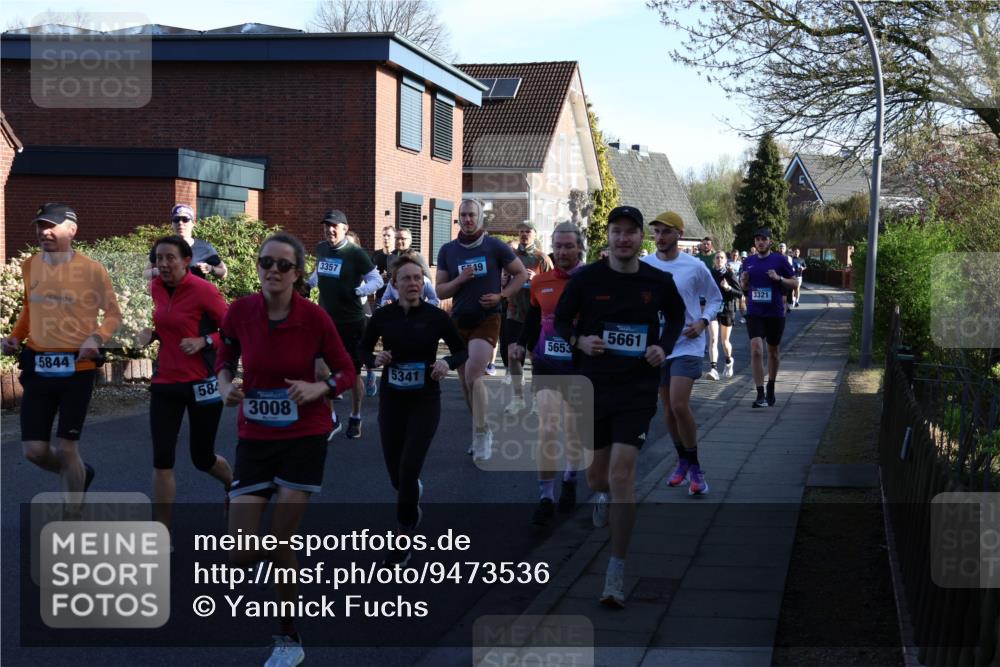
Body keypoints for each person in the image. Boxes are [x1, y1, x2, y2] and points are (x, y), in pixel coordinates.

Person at [216, 233, 355, 667]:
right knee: (239, 553)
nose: (272, 271)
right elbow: (224, 353)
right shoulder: (240, 311)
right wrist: (225, 385)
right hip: (255, 437)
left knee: (280, 539)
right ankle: (287, 556)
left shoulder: (314, 319)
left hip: (304, 434)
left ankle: (288, 637)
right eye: (265, 263)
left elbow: (348, 371)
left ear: (297, 274)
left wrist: (319, 387)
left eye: (282, 265)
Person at [554, 206, 685, 609]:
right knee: (597, 479)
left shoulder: (657, 281)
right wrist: (579, 341)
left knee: (622, 475)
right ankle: (603, 497)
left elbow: (677, 317)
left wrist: (663, 346)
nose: (624, 239)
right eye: (617, 232)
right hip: (595, 387)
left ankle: (615, 570)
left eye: (631, 232)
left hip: (637, 389)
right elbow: (561, 320)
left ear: (640, 237)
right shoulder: (588, 279)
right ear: (607, 236)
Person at [2, 203, 122, 515]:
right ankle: (80, 474)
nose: (44, 232)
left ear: (72, 229)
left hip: (77, 369)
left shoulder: (93, 270)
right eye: (40, 226)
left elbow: (113, 314)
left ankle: (72, 517)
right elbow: (30, 309)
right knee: (34, 451)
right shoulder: (31, 266)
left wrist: (96, 338)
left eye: (51, 226)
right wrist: (16, 336)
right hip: (39, 366)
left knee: (68, 448)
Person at [360, 254, 467, 564]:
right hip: (392, 402)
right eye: (406, 278)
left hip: (425, 401)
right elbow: (362, 349)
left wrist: (446, 362)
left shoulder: (436, 317)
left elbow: (460, 351)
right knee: (397, 476)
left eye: (417, 279)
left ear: (423, 283)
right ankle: (409, 496)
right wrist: (374, 359)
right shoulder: (383, 316)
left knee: (408, 471)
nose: (412, 283)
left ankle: (403, 534)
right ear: (394, 283)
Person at [137, 234, 233, 533]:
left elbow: (233, 331)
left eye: (170, 258)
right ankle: (162, 532)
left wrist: (204, 340)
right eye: (158, 259)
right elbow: (160, 324)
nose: (163, 264)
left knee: (201, 458)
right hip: (166, 382)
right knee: (162, 459)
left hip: (203, 382)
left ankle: (235, 487)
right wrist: (148, 333)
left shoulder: (203, 291)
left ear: (186, 261)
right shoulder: (153, 289)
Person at [435, 199, 528, 460]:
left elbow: (521, 274)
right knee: (466, 383)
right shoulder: (448, 250)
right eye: (463, 215)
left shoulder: (494, 246)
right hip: (459, 320)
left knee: (474, 374)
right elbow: (440, 289)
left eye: (471, 215)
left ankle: (483, 432)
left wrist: (502, 296)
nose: (467, 219)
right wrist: (460, 280)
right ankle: (479, 430)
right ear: (458, 218)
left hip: (487, 318)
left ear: (480, 218)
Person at [510, 222, 586, 525]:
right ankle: (545, 497)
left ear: (579, 247)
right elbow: (533, 316)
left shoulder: (591, 280)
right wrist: (520, 343)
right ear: (553, 248)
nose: (564, 251)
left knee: (574, 429)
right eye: (560, 246)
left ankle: (570, 478)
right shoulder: (541, 281)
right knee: (548, 428)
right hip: (546, 363)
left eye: (570, 246)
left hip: (580, 365)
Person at [641, 211, 721, 497]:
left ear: (678, 233)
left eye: (665, 232)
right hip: (659, 346)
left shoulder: (695, 266)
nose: (660, 237)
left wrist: (702, 321)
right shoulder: (645, 265)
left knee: (678, 404)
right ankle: (682, 461)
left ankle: (696, 467)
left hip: (687, 343)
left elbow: (715, 298)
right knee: (667, 409)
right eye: (656, 232)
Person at [311, 210, 383, 439]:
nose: (329, 230)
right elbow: (318, 273)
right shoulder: (322, 249)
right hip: (325, 320)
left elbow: (377, 279)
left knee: (351, 374)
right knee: (321, 371)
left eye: (334, 226)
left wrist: (361, 290)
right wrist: (307, 284)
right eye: (326, 225)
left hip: (351, 322)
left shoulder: (355, 253)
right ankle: (332, 418)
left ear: (344, 227)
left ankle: (355, 415)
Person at [741, 228, 796, 408]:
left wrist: (778, 278)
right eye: (757, 240)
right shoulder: (748, 261)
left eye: (763, 239)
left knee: (773, 351)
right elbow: (744, 288)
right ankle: (760, 393)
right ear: (755, 243)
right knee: (756, 349)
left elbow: (795, 282)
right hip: (754, 312)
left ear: (770, 242)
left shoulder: (780, 260)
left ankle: (771, 384)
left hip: (775, 313)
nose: (760, 242)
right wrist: (744, 281)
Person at [503, 221, 553, 414]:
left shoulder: (542, 258)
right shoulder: (511, 257)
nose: (524, 234)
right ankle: (517, 399)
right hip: (514, 311)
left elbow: (552, 284)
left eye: (528, 231)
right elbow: (504, 282)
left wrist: (535, 280)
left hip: (536, 314)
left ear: (535, 234)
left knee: (535, 358)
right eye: (521, 231)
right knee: (513, 355)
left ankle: (536, 400)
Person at [143, 204, 227, 281]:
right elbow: (145, 273)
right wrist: (156, 272)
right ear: (172, 223)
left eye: (185, 219)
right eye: (176, 219)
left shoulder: (205, 248)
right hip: (169, 296)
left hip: (194, 295)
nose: (180, 223)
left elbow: (224, 273)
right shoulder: (162, 246)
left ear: (193, 223)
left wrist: (210, 268)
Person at [709, 251, 743, 379]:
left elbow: (739, 293)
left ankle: (729, 361)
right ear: (714, 260)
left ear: (725, 260)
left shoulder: (730, 273)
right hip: (713, 309)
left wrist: (728, 287)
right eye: (717, 257)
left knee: (724, 342)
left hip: (727, 309)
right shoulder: (710, 274)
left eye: (721, 257)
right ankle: (714, 369)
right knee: (713, 339)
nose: (719, 259)